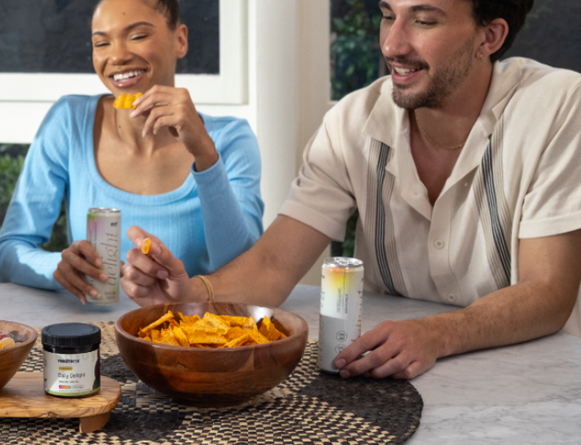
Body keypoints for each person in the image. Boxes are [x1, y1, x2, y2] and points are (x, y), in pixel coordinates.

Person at [122, 0, 581, 379]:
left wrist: (437, 334)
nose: (392, 44)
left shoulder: (558, 105)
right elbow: (276, 262)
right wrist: (192, 294)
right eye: (387, 14)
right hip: (383, 372)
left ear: (490, 37)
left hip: (532, 377)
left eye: (423, 20)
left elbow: (548, 292)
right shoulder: (352, 121)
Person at [0, 0, 263, 302]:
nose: (117, 56)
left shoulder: (230, 140)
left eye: (137, 36)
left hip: (191, 337)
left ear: (180, 40)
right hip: (94, 335)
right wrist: (59, 266)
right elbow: (8, 252)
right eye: (102, 43)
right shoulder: (69, 121)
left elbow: (247, 273)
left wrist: (205, 154)